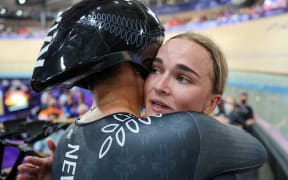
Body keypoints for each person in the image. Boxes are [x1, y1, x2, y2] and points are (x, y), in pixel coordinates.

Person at [17, 0, 266, 179]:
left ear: (213, 102)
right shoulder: (196, 138)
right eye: (155, 69)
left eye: (183, 78)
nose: (160, 85)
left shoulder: (72, 137)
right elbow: (254, 149)